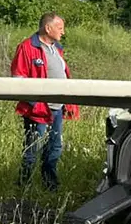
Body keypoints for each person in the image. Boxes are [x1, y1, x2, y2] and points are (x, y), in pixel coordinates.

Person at [10, 12, 80, 191]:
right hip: (38, 110)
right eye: (60, 28)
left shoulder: (56, 48)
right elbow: (18, 78)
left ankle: (50, 187)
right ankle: (23, 189)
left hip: (57, 109)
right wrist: (34, 104)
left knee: (54, 149)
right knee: (32, 151)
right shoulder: (27, 47)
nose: (63, 32)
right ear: (48, 28)